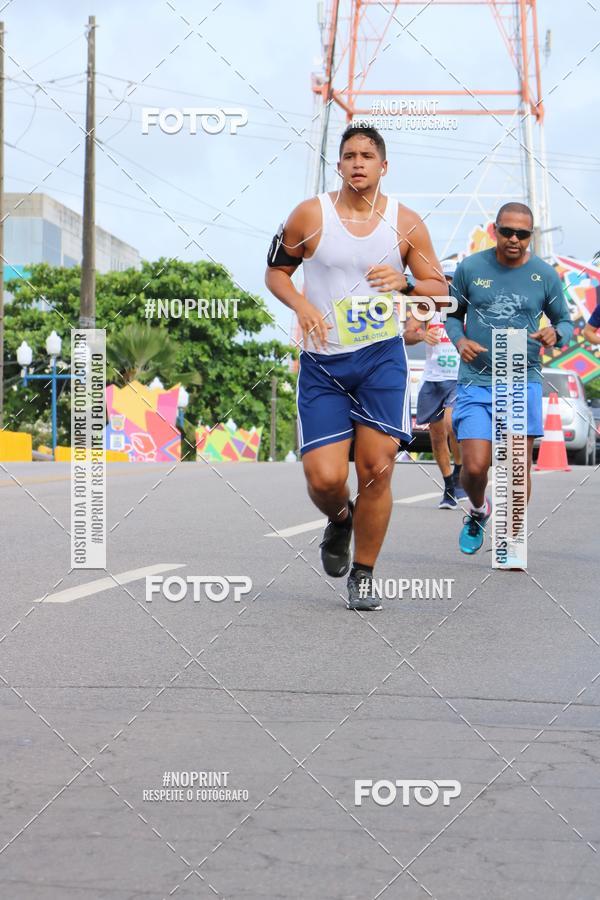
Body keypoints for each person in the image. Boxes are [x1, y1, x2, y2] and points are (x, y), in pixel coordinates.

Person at [265, 124, 447, 610]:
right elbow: (276, 272)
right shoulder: (310, 215)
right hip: (324, 362)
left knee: (375, 470)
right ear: (340, 165)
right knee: (324, 478)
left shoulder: (406, 223)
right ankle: (341, 519)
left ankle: (363, 574)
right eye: (350, 156)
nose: (358, 163)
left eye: (367, 156)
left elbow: (440, 291)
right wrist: (301, 304)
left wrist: (407, 284)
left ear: (383, 166)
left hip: (380, 359)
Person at [445, 202, 574, 556]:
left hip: (521, 379)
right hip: (476, 380)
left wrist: (555, 334)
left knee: (517, 467)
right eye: (507, 232)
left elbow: (564, 321)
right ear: (495, 231)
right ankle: (478, 509)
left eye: (522, 234)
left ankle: (511, 541)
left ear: (530, 236)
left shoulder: (544, 274)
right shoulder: (470, 268)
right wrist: (460, 341)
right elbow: (452, 316)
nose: (514, 239)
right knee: (475, 467)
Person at [403, 258, 465, 508]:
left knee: (452, 425)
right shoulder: (426, 306)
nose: (448, 285)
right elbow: (408, 335)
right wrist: (421, 335)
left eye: (452, 280)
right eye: (444, 280)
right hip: (432, 379)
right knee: (437, 436)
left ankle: (459, 474)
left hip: (459, 378)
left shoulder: (468, 307)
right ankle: (449, 486)